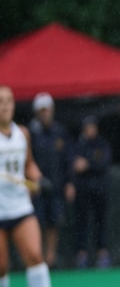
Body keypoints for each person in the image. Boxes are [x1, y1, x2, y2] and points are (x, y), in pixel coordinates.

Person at [0, 86, 63, 287]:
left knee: (35, 256)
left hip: (20, 206)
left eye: (8, 101)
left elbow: (29, 165)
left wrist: (39, 178)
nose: (5, 106)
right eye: (0, 102)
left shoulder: (22, 133)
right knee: (1, 266)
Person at [28, 92, 75, 268]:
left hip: (56, 187)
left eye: (48, 109)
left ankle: (50, 258)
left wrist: (70, 182)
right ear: (36, 112)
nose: (45, 113)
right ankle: (36, 257)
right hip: (37, 188)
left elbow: (68, 159)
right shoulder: (30, 133)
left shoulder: (60, 132)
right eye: (42, 110)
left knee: (53, 222)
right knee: (36, 222)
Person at [72, 115, 112, 269]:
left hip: (100, 190)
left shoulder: (102, 144)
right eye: (87, 127)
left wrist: (88, 164)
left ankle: (102, 254)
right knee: (82, 223)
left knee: (101, 222)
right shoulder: (78, 145)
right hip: (83, 190)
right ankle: (82, 255)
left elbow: (103, 163)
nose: (90, 130)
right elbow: (73, 165)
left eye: (92, 126)